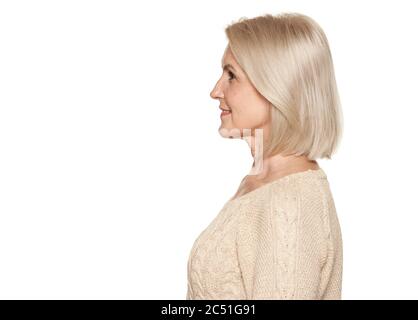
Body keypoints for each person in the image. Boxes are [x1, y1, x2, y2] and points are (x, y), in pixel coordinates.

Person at [186, 12, 343, 300]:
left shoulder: (289, 203)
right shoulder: (261, 184)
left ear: (276, 87)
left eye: (231, 75)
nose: (215, 91)